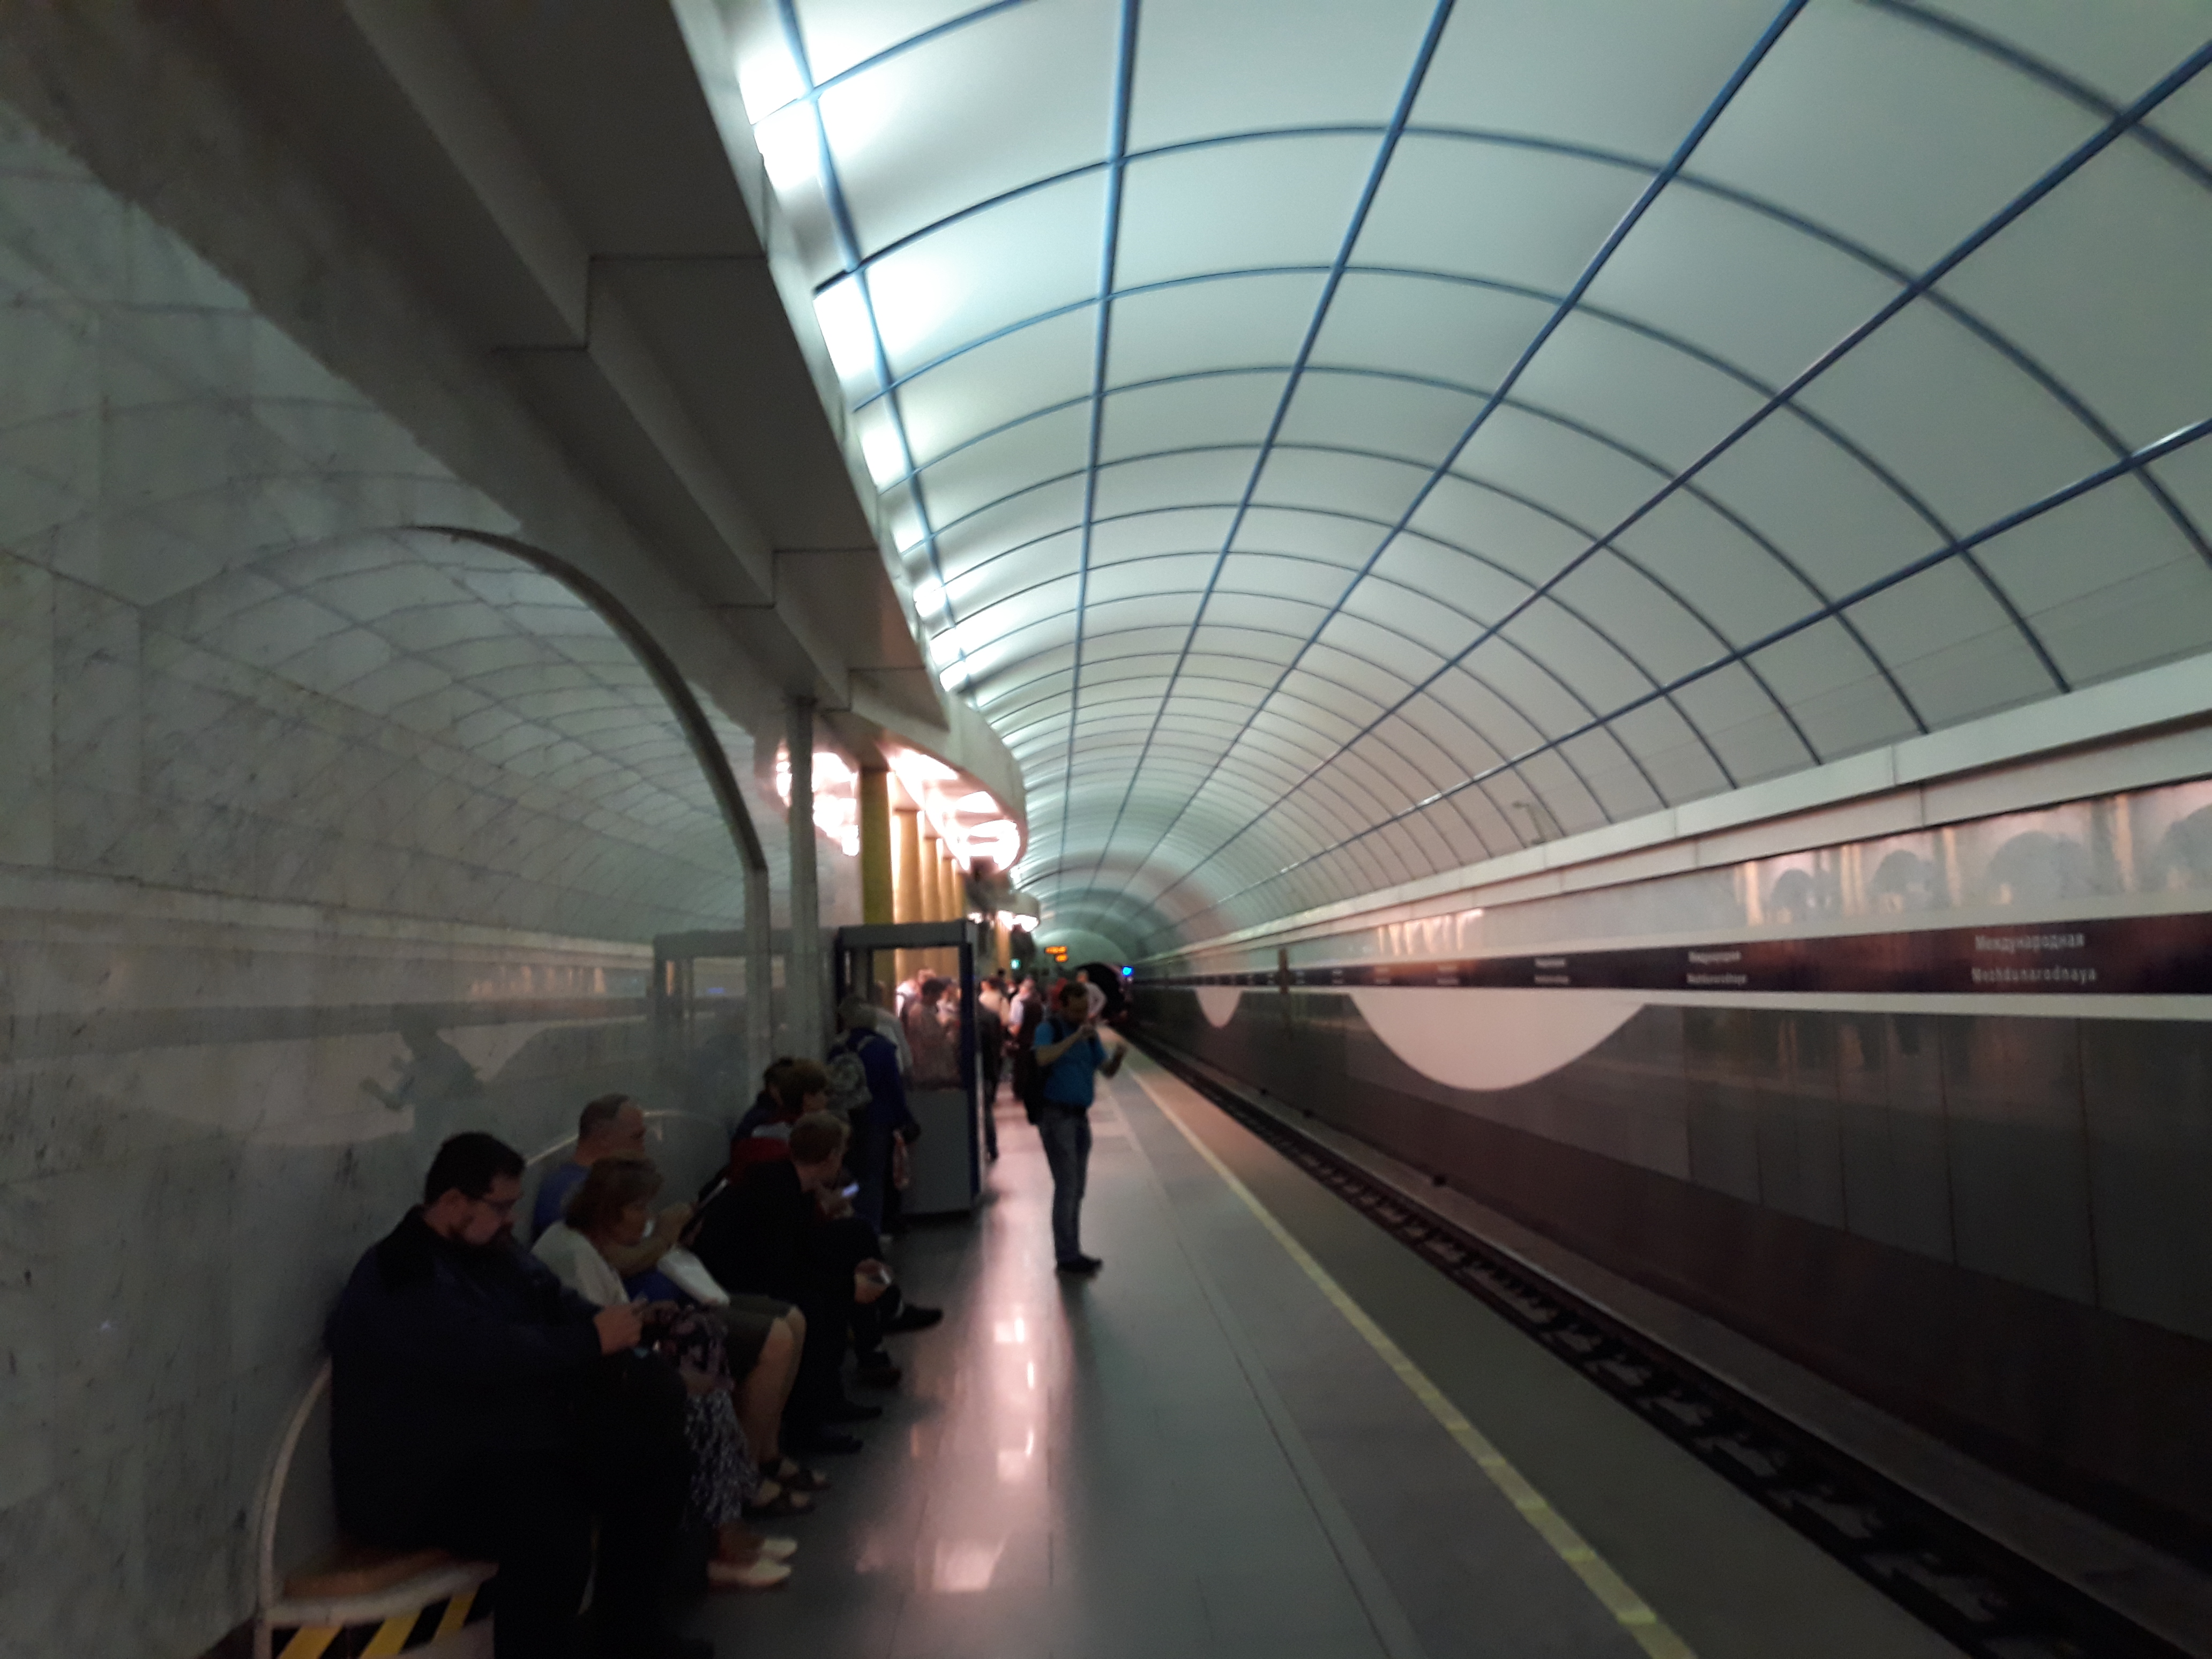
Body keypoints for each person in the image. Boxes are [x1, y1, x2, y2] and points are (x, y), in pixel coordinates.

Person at [325, 1132, 705, 1659]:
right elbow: (481, 1351)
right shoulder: (402, 1272)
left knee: (655, 1462)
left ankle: (630, 1636)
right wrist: (590, 1340)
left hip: (496, 1445)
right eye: (500, 1206)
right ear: (453, 1201)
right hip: (420, 1477)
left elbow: (553, 1300)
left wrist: (609, 1324)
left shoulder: (492, 1252)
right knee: (552, 1524)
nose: (511, 1220)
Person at [536, 1157, 795, 1591]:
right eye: (639, 1208)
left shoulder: (585, 1246)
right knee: (704, 1405)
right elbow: (597, 1342)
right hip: (589, 1392)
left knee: (706, 1364)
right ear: (609, 1210)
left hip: (611, 1372)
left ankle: (729, 1522)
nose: (648, 1219)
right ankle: (721, 1542)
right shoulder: (574, 1255)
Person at [689, 1112, 893, 1456]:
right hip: (735, 1277)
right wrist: (846, 1284)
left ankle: (826, 1400)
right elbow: (782, 1266)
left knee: (832, 1279)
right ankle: (807, 1424)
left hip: (747, 1268)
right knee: (813, 1304)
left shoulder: (787, 1183)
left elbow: (797, 1251)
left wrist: (848, 1274)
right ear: (831, 1157)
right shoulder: (780, 1191)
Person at [532, 1094, 693, 1272]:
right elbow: (606, 1261)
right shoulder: (569, 1190)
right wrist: (663, 1239)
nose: (643, 1149)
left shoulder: (601, 1184)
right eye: (636, 1137)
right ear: (604, 1137)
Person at [1033, 980, 1126, 1275]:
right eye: (1076, 1010)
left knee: (1077, 1188)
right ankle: (1067, 1256)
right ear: (1062, 1006)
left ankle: (1072, 1250)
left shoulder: (1089, 1035)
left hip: (1080, 1118)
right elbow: (1042, 1057)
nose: (1082, 1016)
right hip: (1056, 1117)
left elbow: (1106, 1071)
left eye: (1085, 1010)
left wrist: (1117, 1058)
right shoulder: (1049, 1029)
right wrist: (1074, 1038)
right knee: (1067, 1186)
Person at [828, 999, 914, 1232]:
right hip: (876, 1119)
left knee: (850, 1173)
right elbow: (894, 1088)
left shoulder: (838, 1047)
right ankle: (870, 1227)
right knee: (873, 1177)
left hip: (843, 1118)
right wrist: (904, 1118)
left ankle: (849, 1215)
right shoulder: (882, 1048)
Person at [902, 975, 959, 1088]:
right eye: (937, 995)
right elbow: (928, 1040)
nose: (939, 998)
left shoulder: (930, 1009)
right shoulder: (920, 1012)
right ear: (929, 994)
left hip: (936, 1061)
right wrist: (946, 1028)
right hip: (929, 1063)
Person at [975, 976, 1007, 1161]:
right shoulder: (991, 1016)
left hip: (978, 1068)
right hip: (989, 1067)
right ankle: (992, 1146)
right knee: (986, 1110)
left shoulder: (968, 1019)